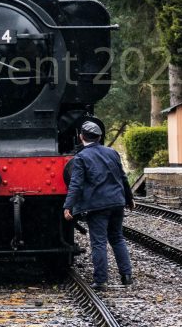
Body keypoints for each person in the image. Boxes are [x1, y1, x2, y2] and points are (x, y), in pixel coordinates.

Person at [63, 121, 134, 290]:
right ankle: (126, 276)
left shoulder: (81, 157)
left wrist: (68, 206)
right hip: (117, 202)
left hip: (97, 206)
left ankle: (101, 280)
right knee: (117, 238)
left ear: (81, 137)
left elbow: (76, 184)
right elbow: (123, 177)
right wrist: (129, 198)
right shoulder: (112, 152)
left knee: (99, 242)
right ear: (99, 137)